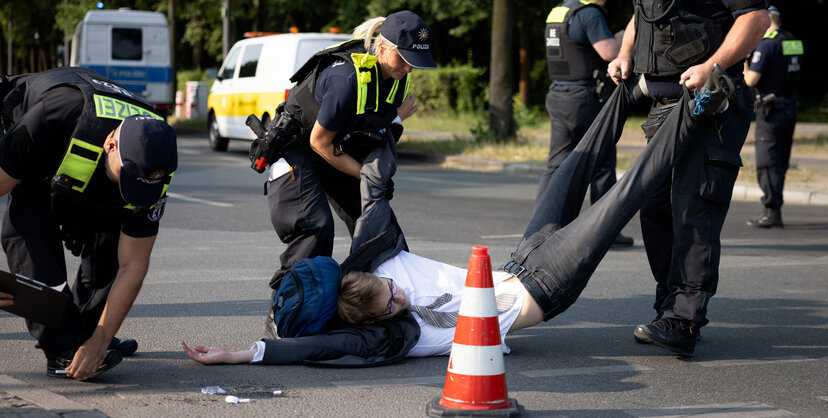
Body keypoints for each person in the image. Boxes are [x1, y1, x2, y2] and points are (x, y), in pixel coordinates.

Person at [181, 70, 735, 365]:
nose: (400, 299)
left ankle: (625, 86)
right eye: (393, 306)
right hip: (545, 291)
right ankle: (697, 106)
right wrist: (242, 355)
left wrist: (384, 129)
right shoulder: (385, 338)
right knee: (622, 199)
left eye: (388, 291)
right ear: (374, 324)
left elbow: (375, 185)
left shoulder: (381, 254)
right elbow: (318, 348)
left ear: (364, 277)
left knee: (570, 168)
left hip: (521, 260)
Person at [607, 1, 770, 355]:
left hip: (709, 106)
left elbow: (756, 18)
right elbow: (641, 14)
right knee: (654, 209)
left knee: (693, 210)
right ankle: (668, 305)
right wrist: (624, 54)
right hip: (663, 110)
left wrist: (712, 64)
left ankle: (684, 319)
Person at [0, 67, 178, 380]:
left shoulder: (156, 163)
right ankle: (61, 346)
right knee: (31, 239)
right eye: (127, 176)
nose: (135, 189)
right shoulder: (55, 116)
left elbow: (134, 265)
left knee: (114, 239)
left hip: (80, 175)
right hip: (37, 159)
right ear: (111, 145)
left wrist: (100, 339)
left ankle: (85, 332)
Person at [264, 10, 436, 288]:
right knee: (315, 228)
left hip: (335, 151)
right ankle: (288, 312)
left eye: (414, 62)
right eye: (403, 59)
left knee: (379, 225)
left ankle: (384, 300)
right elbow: (319, 142)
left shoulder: (395, 75)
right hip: (298, 149)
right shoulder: (346, 80)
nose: (409, 68)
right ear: (382, 46)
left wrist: (394, 120)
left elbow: (369, 130)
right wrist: (367, 176)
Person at [541, 0, 633, 248]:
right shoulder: (589, 14)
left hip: (559, 94)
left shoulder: (559, 11)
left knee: (556, 163)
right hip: (584, 97)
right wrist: (623, 37)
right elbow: (609, 52)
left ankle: (541, 228)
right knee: (602, 163)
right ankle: (603, 232)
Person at [744, 5, 803, 228]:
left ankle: (771, 212)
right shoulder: (793, 42)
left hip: (770, 112)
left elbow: (751, 80)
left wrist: (743, 62)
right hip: (790, 107)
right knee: (780, 161)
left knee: (767, 163)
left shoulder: (766, 45)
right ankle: (774, 208)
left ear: (766, 21)